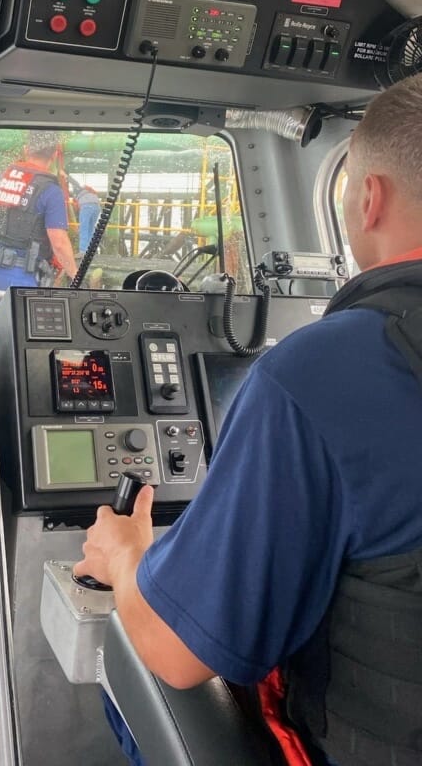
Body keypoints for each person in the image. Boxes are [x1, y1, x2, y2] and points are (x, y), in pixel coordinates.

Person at [76, 74, 422, 766]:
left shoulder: (320, 372)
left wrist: (124, 557)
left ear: (368, 197)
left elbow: (180, 655)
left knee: (141, 651)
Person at [0, 131, 78, 294]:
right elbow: (59, 242)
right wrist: (76, 276)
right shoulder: (50, 190)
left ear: (26, 150)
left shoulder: (1, 179)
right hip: (23, 277)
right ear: (54, 155)